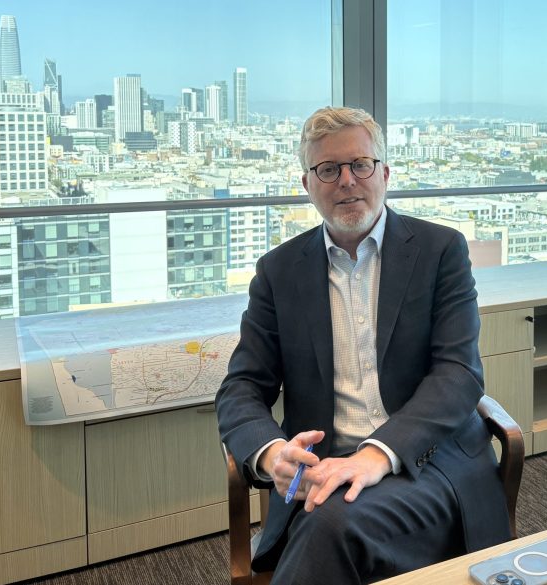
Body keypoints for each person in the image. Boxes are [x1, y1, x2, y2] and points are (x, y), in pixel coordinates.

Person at [215, 106, 510, 584]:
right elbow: (241, 387)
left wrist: (377, 454)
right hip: (324, 470)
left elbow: (459, 374)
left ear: (385, 174)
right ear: (307, 185)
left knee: (329, 528)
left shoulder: (440, 251)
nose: (347, 180)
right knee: (331, 524)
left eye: (360, 164)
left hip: (429, 465)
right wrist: (272, 454)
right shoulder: (279, 272)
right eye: (328, 169)